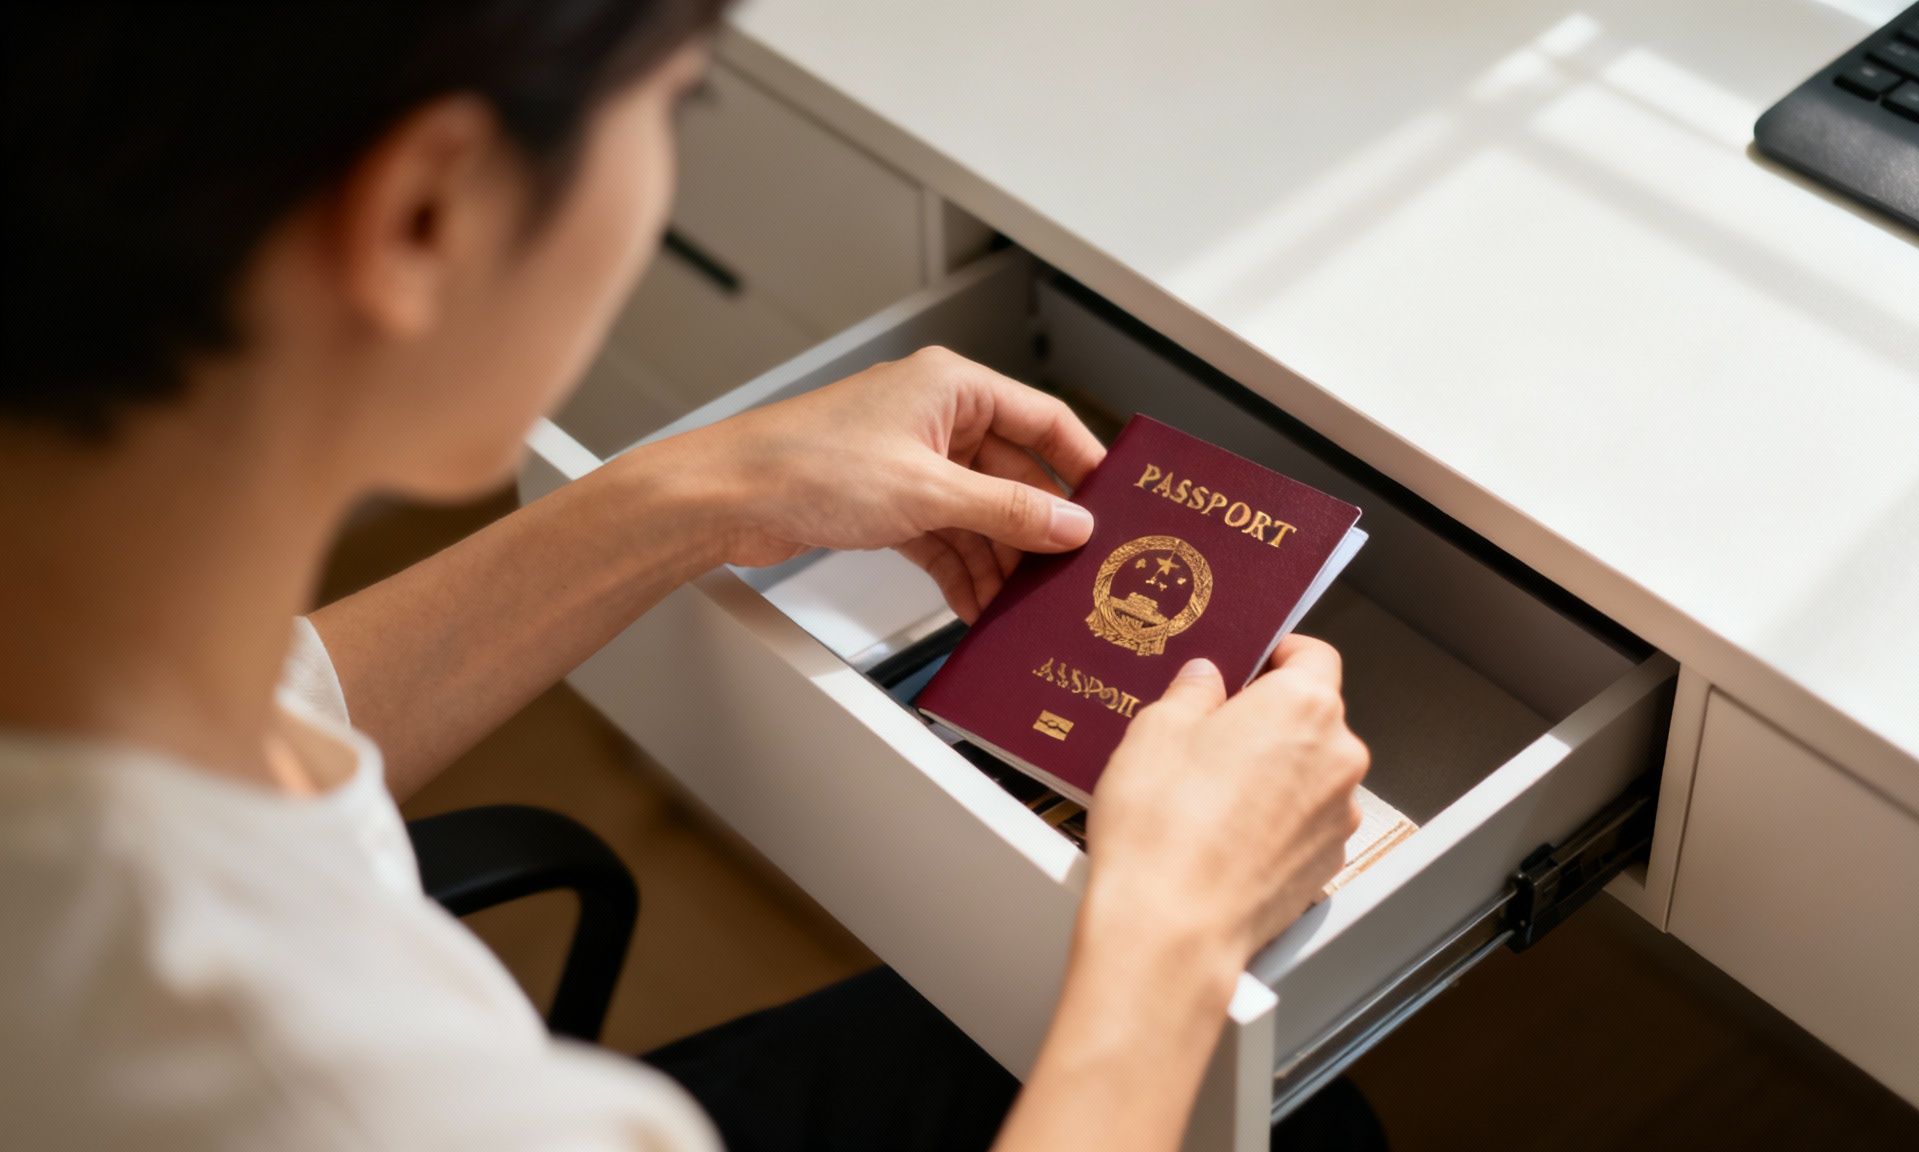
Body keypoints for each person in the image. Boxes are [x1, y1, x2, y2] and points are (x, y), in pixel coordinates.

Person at [0, 4, 1380, 1150]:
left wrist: (692, 497)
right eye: (673, 109)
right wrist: (1173, 939)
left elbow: (273, 712)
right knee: (1293, 1117)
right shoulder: (346, 1101)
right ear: (428, 215)